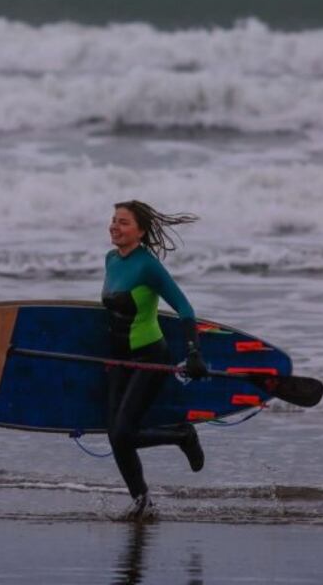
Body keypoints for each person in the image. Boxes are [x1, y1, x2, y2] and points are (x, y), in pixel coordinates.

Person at [103, 200, 208, 521]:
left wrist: (193, 352)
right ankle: (141, 501)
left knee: (123, 433)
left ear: (141, 231)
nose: (114, 227)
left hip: (149, 356)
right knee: (115, 435)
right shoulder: (111, 260)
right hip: (120, 360)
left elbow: (185, 309)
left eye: (123, 222)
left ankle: (183, 435)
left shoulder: (148, 266)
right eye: (113, 220)